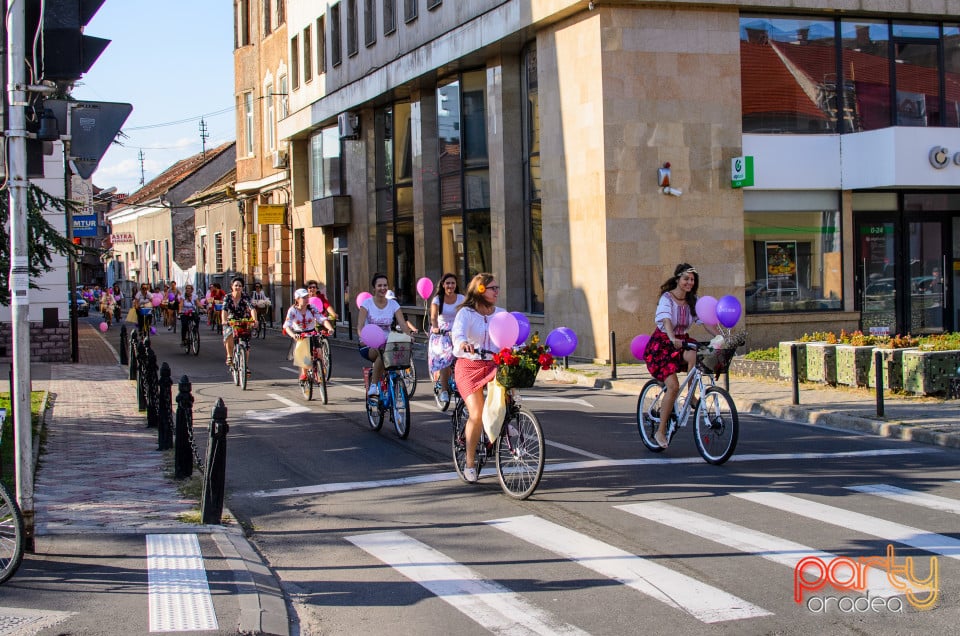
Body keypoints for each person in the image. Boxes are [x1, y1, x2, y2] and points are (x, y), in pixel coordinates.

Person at [642, 263, 719, 449]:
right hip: (662, 344)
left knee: (694, 354)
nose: (689, 283)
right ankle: (660, 431)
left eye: (692, 280)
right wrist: (671, 337)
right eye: (686, 279)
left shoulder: (694, 301)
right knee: (673, 386)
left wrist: (720, 335)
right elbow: (666, 319)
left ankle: (691, 394)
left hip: (682, 342)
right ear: (677, 279)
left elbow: (705, 322)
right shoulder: (667, 298)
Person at [451, 273, 504, 483]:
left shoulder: (500, 314)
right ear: (480, 290)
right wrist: (463, 343)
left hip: (493, 364)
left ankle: (506, 421)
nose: (497, 291)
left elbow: (511, 335)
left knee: (508, 391)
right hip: (469, 366)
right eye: (493, 288)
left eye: (497, 287)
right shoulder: (466, 313)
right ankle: (470, 462)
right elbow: (458, 334)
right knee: (477, 413)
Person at [356, 273, 417, 401]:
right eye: (379, 285)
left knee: (395, 356)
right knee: (382, 352)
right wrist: (363, 338)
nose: (383, 288)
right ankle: (373, 386)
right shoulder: (366, 304)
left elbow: (403, 324)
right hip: (369, 344)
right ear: (374, 288)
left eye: (385, 285)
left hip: (388, 343)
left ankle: (395, 388)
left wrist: (408, 336)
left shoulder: (393, 305)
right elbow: (360, 326)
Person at [429, 273, 464, 404]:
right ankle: (444, 390)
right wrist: (436, 327)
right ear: (443, 285)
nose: (450, 286)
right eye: (448, 283)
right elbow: (433, 317)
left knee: (464, 355)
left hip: (457, 330)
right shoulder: (438, 299)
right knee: (445, 358)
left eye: (453, 283)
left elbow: (468, 312)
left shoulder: (461, 298)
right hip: (442, 332)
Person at [283, 288, 326, 380]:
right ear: (297, 299)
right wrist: (293, 335)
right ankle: (304, 373)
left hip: (311, 332)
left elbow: (321, 319)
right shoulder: (292, 310)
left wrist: (329, 328)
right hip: (300, 334)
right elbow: (287, 326)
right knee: (304, 355)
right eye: (304, 298)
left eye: (307, 297)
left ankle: (320, 370)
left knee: (318, 352)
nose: (307, 299)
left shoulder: (312, 308)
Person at [222, 277, 257, 369]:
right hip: (231, 320)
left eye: (240, 286)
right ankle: (229, 355)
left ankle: (245, 366)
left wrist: (255, 320)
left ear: (242, 287)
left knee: (246, 344)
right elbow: (224, 310)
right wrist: (224, 320)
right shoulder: (228, 297)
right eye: (236, 285)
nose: (238, 287)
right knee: (229, 333)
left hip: (243, 320)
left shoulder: (245, 297)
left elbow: (252, 308)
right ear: (232, 287)